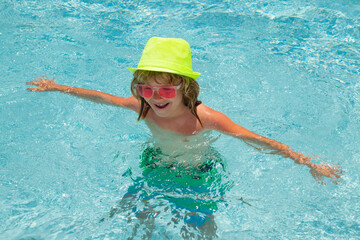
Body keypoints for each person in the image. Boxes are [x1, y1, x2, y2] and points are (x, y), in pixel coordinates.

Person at [26, 37, 342, 184]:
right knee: (137, 216)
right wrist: (58, 87)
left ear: (185, 89)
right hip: (155, 163)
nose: (155, 97)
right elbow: (100, 97)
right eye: (147, 89)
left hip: (200, 171)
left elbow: (253, 138)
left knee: (202, 228)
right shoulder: (144, 107)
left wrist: (306, 162)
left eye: (165, 89)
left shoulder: (204, 117)